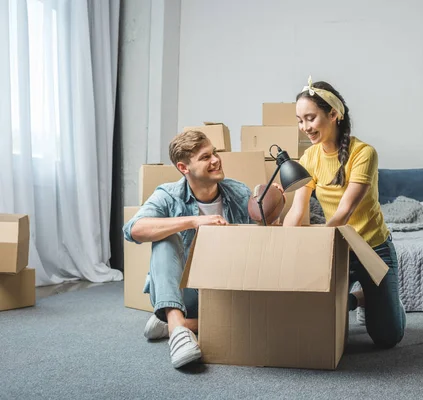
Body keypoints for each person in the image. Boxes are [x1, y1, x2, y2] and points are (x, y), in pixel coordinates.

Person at [283, 77, 406, 348]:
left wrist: (319, 245)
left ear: (334, 114)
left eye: (310, 118)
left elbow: (344, 212)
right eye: (300, 120)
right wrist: (285, 247)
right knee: (312, 316)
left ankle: (372, 299)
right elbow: (297, 210)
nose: (304, 127)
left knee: (388, 338)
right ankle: (363, 297)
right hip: (340, 247)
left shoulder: (364, 153)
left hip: (373, 248)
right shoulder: (309, 158)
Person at [123, 130, 253, 368]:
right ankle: (178, 330)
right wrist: (194, 221)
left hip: (228, 286)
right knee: (165, 239)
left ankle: (177, 324)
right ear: (184, 168)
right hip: (187, 290)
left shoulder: (238, 191)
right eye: (205, 157)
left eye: (214, 153)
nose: (215, 160)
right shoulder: (169, 195)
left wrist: (272, 205)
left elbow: (260, 239)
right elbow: (134, 229)